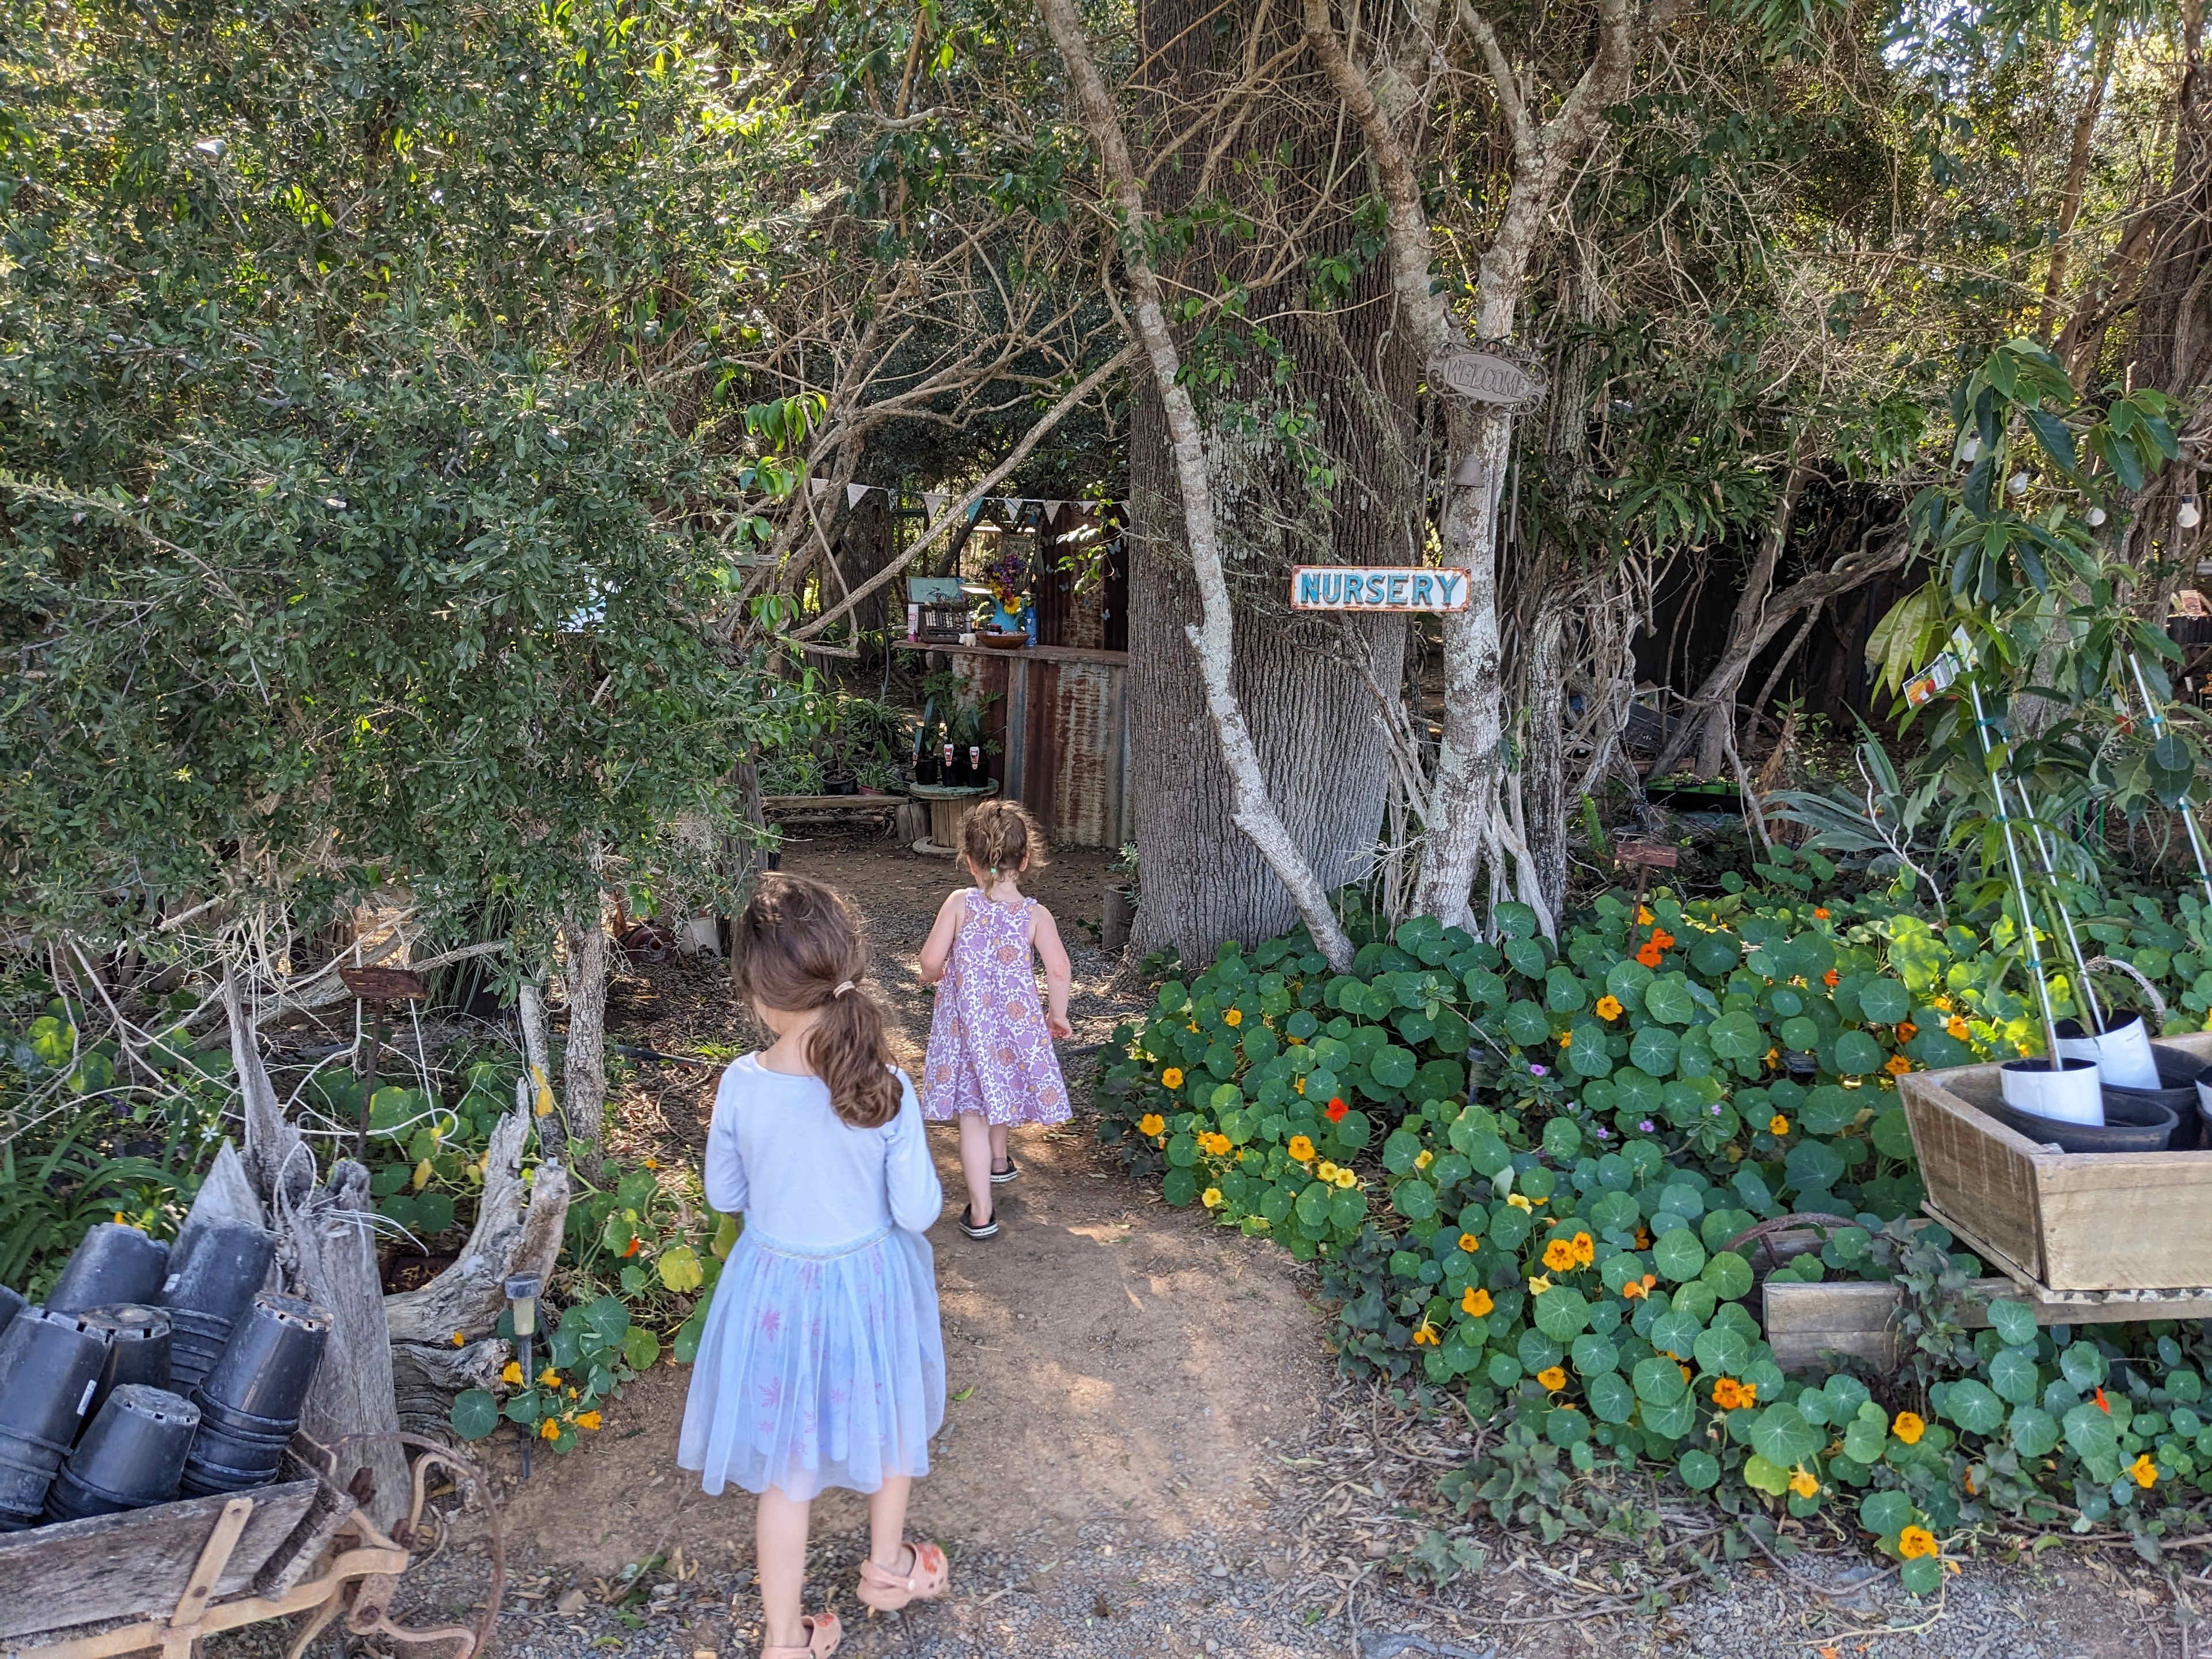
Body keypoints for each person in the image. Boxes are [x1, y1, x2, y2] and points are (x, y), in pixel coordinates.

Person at [679, 874, 948, 1659]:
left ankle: (782, 1640)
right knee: (890, 1426)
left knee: (786, 1473)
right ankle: (887, 1570)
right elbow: (920, 1213)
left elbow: (724, 1192)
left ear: (759, 996)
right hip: (869, 1288)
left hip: (775, 1293)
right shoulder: (887, 1084)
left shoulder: (740, 1084)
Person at [917, 799, 1074, 1239]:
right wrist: (1056, 1015)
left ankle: (982, 1211)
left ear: (970, 862)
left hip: (967, 1028)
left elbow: (930, 961)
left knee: (973, 1113)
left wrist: (935, 975)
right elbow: (1059, 969)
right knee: (999, 1083)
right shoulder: (1034, 915)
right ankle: (1000, 1161)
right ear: (1025, 860)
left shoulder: (959, 904)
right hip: (1014, 1027)